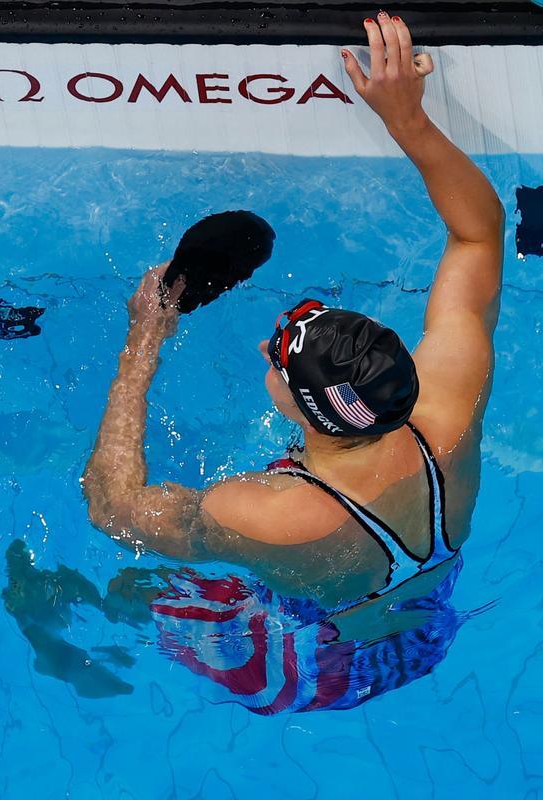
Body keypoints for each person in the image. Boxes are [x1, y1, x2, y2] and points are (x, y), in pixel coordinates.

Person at [79, 15, 502, 709]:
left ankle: (56, 635)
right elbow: (478, 235)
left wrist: (141, 348)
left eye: (276, 356)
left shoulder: (267, 515)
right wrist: (408, 121)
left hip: (317, 661)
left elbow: (113, 508)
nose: (259, 350)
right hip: (425, 626)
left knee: (126, 591)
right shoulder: (447, 413)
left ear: (301, 406)